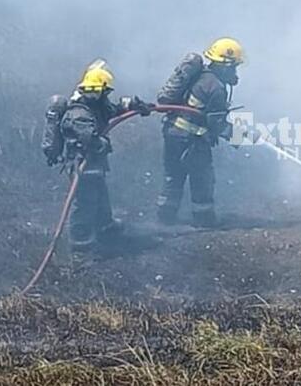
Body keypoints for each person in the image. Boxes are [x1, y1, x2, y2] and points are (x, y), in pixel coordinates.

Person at [59, 59, 153, 253]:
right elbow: (92, 141)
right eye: (106, 91)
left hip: (93, 165)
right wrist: (103, 144)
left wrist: (134, 105)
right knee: (85, 203)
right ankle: (81, 245)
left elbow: (113, 109)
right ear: (98, 91)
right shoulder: (79, 114)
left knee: (100, 196)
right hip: (82, 165)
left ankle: (105, 227)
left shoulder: (94, 105)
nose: (107, 95)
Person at [156, 38, 244, 227]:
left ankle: (165, 219)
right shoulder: (216, 88)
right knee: (202, 179)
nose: (235, 72)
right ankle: (204, 222)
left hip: (172, 134)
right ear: (225, 66)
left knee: (174, 177)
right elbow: (216, 124)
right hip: (192, 141)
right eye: (234, 67)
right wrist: (240, 136)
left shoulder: (202, 76)